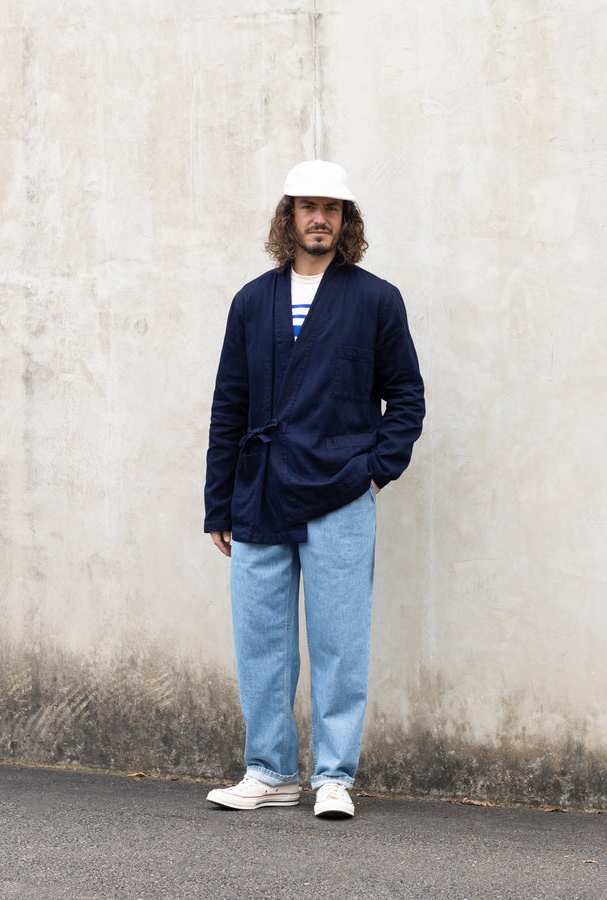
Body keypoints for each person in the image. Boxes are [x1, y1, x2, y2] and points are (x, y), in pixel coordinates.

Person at [203, 160, 425, 818]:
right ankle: (269, 772)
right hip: (261, 489)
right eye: (308, 207)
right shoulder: (252, 301)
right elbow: (229, 405)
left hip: (340, 490)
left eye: (332, 208)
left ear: (346, 220)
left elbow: (406, 398)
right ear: (289, 216)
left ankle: (334, 777)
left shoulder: (376, 300)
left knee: (339, 641)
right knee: (261, 641)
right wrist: (219, 501)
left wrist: (374, 471)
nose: (319, 218)